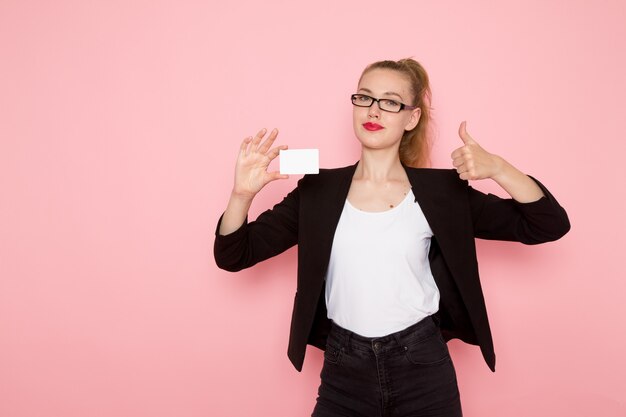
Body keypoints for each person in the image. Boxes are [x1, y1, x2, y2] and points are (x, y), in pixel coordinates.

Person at [214, 58, 570, 417]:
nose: (374, 110)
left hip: (423, 366)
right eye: (365, 98)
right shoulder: (317, 190)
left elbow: (546, 224)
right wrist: (242, 195)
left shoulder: (442, 192)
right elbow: (234, 254)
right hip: (343, 368)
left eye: (390, 102)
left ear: (411, 118)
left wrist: (498, 168)